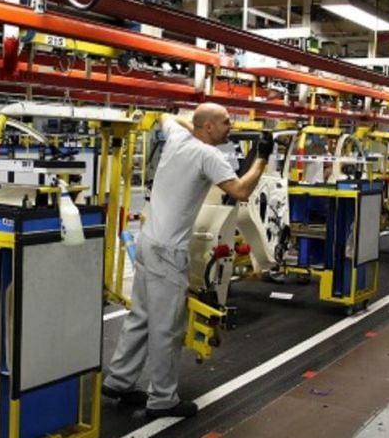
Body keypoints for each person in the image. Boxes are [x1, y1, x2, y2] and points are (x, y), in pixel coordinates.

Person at [102, 103, 271, 419]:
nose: (229, 127)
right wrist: (261, 158)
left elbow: (168, 118)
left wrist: (192, 123)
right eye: (225, 123)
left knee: (141, 315)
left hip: (148, 241)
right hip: (168, 252)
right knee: (167, 327)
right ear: (208, 127)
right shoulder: (210, 156)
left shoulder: (178, 138)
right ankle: (162, 400)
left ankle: (120, 380)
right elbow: (240, 191)